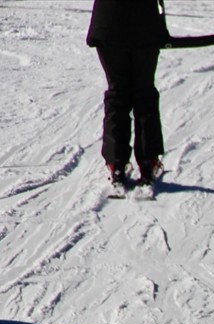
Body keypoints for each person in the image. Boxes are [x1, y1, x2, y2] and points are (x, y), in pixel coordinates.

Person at [86, 0, 169, 189]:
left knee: (117, 93)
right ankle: (148, 162)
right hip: (144, 27)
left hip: (108, 25)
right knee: (144, 92)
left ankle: (116, 163)